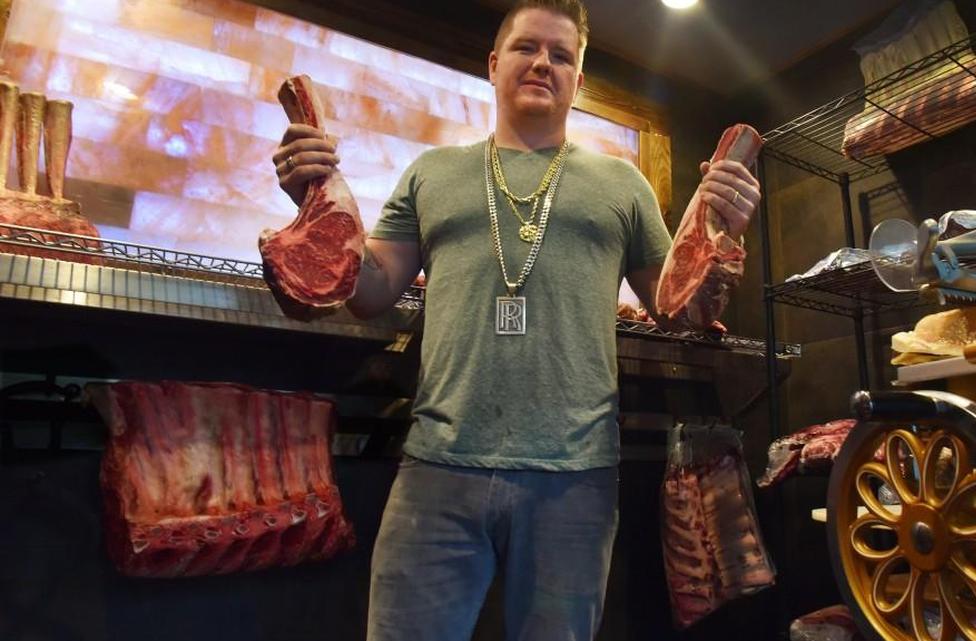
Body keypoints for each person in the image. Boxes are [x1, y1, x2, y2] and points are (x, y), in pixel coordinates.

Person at [271, 1, 761, 639]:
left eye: (562, 55)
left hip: (575, 478)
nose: (543, 63)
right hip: (438, 468)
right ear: (494, 62)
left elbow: (681, 312)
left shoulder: (623, 184)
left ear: (578, 82)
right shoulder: (431, 172)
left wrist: (721, 236)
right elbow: (371, 291)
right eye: (528, 47)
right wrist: (314, 200)